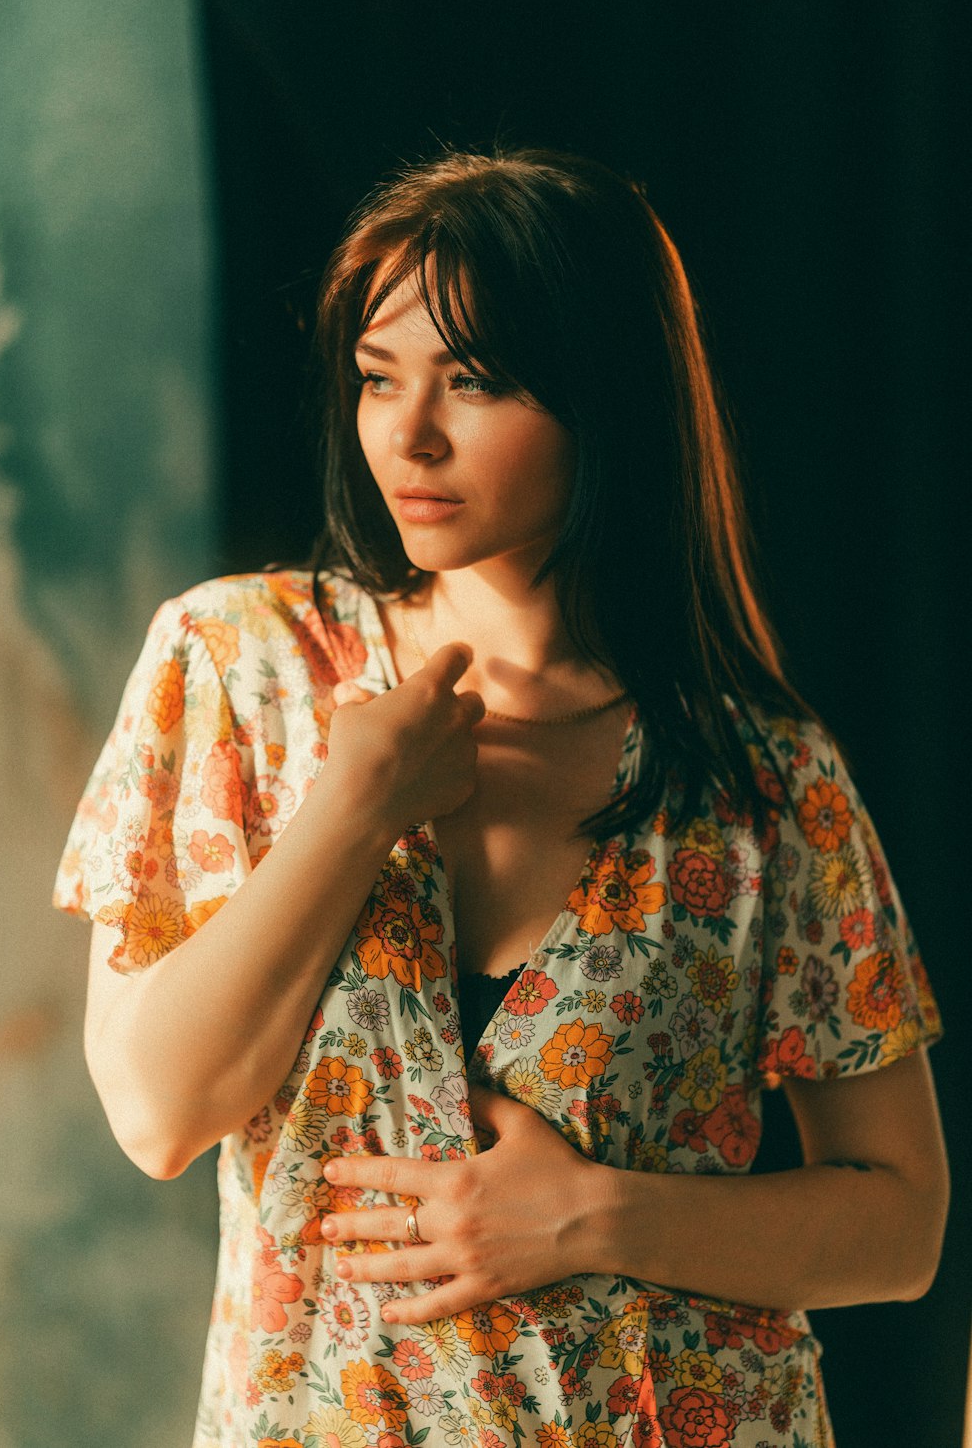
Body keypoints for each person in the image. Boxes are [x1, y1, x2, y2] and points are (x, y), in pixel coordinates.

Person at [54, 146, 948, 1448]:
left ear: (606, 399)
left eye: (472, 382)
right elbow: (157, 1110)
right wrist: (354, 804)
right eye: (378, 379)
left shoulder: (764, 781)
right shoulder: (237, 665)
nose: (408, 436)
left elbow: (902, 1225)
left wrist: (589, 1213)